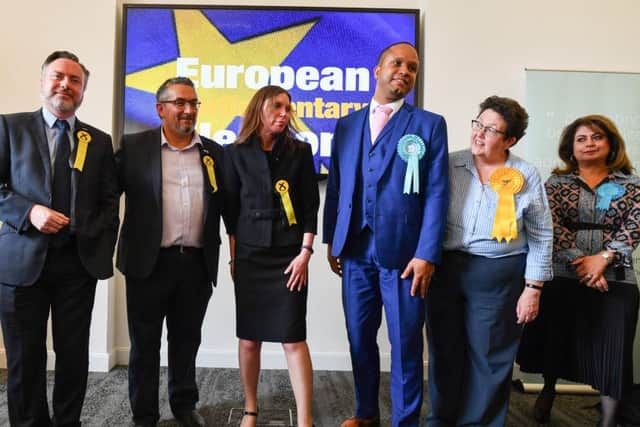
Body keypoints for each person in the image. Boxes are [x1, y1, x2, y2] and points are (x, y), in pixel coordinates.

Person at [323, 42, 449, 427]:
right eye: (397, 63)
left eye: (413, 67)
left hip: (406, 256)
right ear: (376, 69)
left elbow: (437, 192)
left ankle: (405, 420)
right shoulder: (346, 125)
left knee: (406, 344)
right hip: (356, 250)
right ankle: (365, 413)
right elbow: (339, 186)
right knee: (359, 339)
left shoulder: (429, 125)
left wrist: (427, 253)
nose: (405, 72)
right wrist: (333, 240)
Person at [0, 50, 120, 426]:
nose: (66, 85)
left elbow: (108, 202)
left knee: (72, 356)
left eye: (75, 80)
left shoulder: (98, 141)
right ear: (42, 82)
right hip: (21, 264)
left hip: (77, 264)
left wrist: (87, 231)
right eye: (58, 76)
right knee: (25, 357)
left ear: (83, 91)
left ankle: (68, 422)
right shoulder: (9, 127)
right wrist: (29, 212)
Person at [425, 96, 553, 427]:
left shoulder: (525, 174)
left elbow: (541, 234)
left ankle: (479, 422)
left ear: (510, 140)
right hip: (446, 268)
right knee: (444, 350)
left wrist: (533, 288)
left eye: (491, 129)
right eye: (477, 124)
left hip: (498, 273)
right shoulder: (449, 164)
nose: (479, 134)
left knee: (490, 355)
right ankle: (441, 418)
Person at [116, 77, 227, 427]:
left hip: (195, 264)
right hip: (148, 263)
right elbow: (103, 195)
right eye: (180, 103)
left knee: (186, 341)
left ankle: (184, 404)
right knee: (144, 345)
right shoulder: (134, 147)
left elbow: (227, 205)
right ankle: (144, 414)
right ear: (160, 108)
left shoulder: (213, 152)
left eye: (193, 103)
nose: (188, 110)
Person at [517, 115, 640, 427]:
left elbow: (634, 225)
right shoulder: (556, 183)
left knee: (614, 352)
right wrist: (582, 262)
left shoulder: (632, 185)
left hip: (616, 278)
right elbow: (549, 224)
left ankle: (609, 417)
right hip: (564, 276)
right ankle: (548, 389)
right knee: (558, 340)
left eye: (596, 137)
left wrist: (605, 258)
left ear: (611, 144)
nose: (589, 144)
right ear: (570, 148)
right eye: (581, 139)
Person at [224, 85, 319, 427]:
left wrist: (305, 253)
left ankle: (305, 419)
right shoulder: (233, 153)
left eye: (288, 107)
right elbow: (230, 213)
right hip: (250, 255)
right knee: (249, 338)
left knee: (293, 338)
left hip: (290, 257)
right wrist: (234, 259)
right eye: (277, 105)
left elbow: (310, 206)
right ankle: (251, 409)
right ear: (259, 108)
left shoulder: (300, 151)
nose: (284, 112)